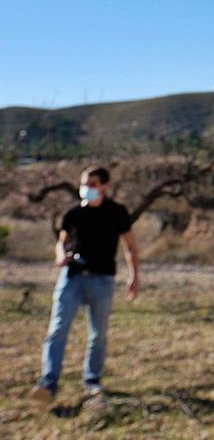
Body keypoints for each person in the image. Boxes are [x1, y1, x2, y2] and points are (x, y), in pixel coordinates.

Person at [28, 166, 140, 407]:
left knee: (98, 334)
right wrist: (60, 256)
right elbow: (62, 242)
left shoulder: (117, 213)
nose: (85, 189)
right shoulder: (73, 214)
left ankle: (92, 381)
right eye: (83, 184)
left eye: (91, 184)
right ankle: (48, 384)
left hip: (103, 279)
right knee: (57, 330)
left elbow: (129, 246)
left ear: (104, 186)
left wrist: (134, 276)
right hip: (72, 277)